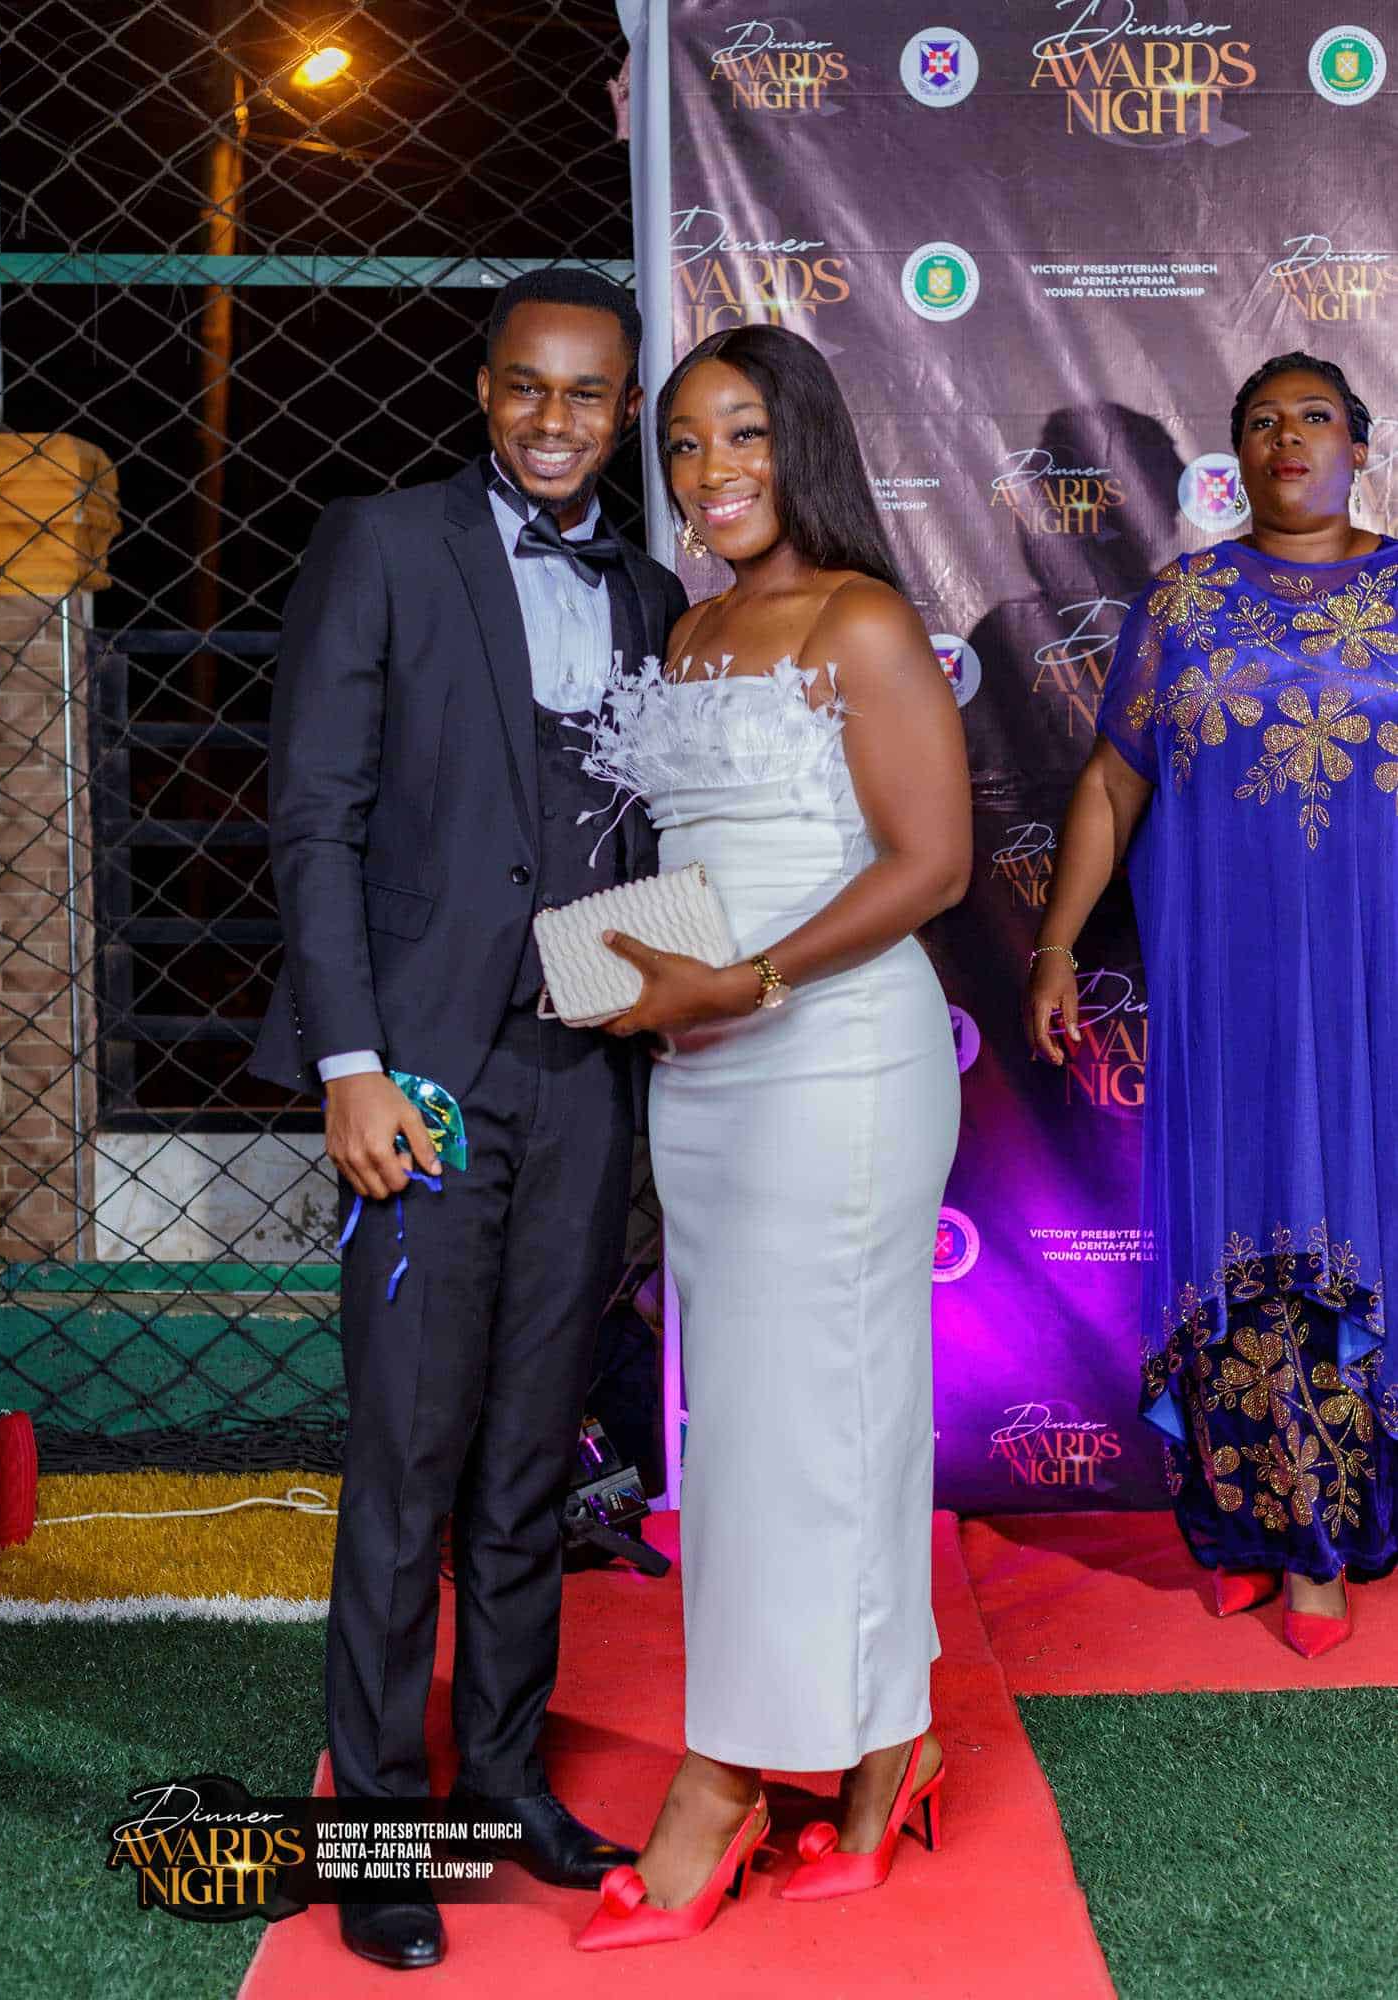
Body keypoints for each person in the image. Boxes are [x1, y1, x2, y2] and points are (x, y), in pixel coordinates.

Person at [250, 268, 688, 1971]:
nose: (553, 420)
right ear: (485, 390)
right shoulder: (382, 544)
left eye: (587, 394)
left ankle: (500, 1784)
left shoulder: (651, 592)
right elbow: (314, 817)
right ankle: (377, 1832)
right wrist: (349, 1063)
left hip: (581, 1073)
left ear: (623, 410)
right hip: (420, 1075)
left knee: (528, 1457)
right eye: (527, 386)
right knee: (406, 1460)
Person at [567, 323, 972, 1950]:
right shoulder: (691, 628)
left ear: (799, 441)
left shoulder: (857, 616)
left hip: (838, 1064)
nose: (709, 470)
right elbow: (706, 856)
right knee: (769, 1424)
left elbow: (931, 863)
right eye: (681, 443)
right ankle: (886, 1751)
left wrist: (745, 980)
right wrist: (638, 974)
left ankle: (722, 1779)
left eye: (740, 434)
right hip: (708, 1073)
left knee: (806, 1426)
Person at [1027, 351, 1398, 1658]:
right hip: (1230, 992)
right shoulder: (1184, 602)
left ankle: (1333, 1540)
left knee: (1359, 1232)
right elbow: (1110, 782)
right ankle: (1253, 1528)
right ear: (1233, 458)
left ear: (1360, 444)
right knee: (1247, 1245)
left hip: (1374, 989)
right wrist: (1056, 944)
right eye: (1260, 422)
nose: (1287, 438)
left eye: (1314, 417)